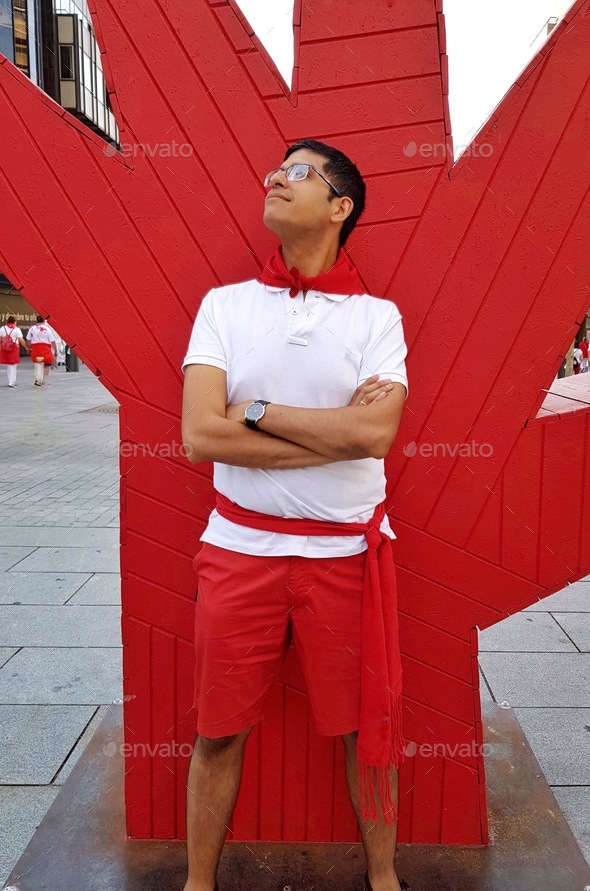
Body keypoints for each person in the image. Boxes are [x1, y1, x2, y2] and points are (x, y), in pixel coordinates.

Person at [181, 139, 410, 891]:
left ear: (340, 207)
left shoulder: (377, 318)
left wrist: (255, 413)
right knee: (217, 731)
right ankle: (197, 883)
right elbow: (198, 436)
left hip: (345, 558)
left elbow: (375, 434)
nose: (275, 176)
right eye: (276, 167)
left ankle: (384, 880)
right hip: (238, 550)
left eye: (299, 171)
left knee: (363, 731)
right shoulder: (225, 305)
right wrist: (331, 433)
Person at [26, 315, 57, 386]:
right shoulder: (47, 329)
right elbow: (53, 341)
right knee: (46, 365)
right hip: (45, 349)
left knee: (38, 364)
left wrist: (29, 347)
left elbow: (28, 340)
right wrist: (55, 351)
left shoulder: (32, 329)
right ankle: (43, 381)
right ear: (44, 320)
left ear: (36, 320)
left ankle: (38, 379)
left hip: (36, 349)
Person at [0, 315, 29, 387]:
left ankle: (10, 380)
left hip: (4, 348)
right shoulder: (16, 329)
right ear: (15, 322)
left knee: (8, 365)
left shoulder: (2, 328)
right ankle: (12, 382)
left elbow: (0, 339)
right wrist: (26, 347)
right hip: (13, 348)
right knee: (13, 365)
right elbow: (20, 340)